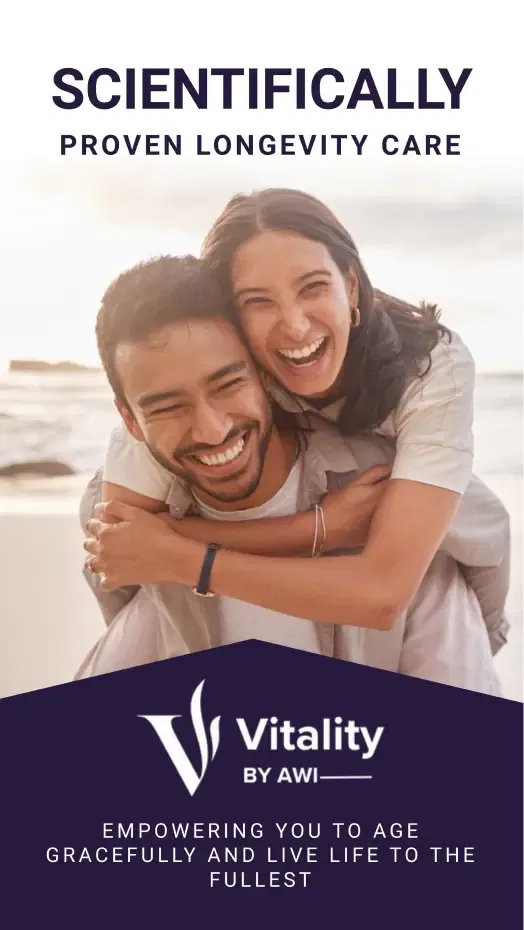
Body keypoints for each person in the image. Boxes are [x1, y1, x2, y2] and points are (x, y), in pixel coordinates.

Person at [89, 189, 510, 652]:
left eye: (313, 287)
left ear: (350, 287)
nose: (294, 327)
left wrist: (187, 557)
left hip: (411, 500)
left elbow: (383, 591)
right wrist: (315, 528)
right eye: (258, 301)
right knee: (100, 506)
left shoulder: (433, 368)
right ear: (230, 316)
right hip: (305, 489)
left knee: (462, 524)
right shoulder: (211, 367)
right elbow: (123, 543)